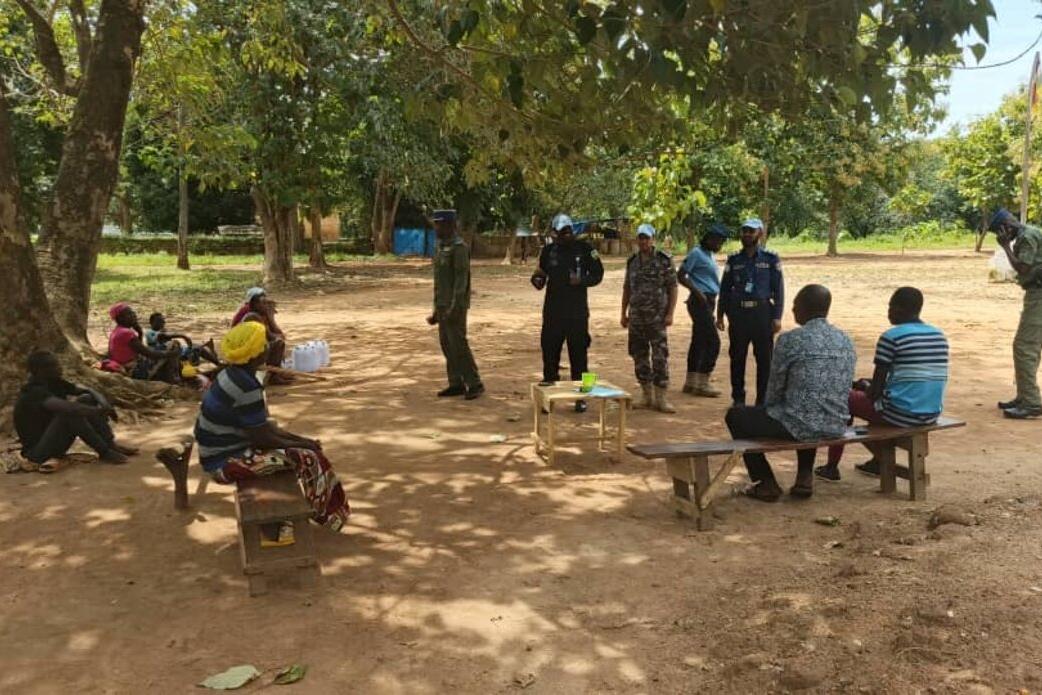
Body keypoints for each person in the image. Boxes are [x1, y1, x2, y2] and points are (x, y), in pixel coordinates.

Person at [193, 321, 351, 540]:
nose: (269, 345)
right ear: (257, 353)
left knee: (303, 449)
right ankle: (325, 514)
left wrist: (301, 440)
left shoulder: (232, 374)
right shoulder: (247, 386)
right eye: (265, 343)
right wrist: (305, 445)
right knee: (311, 459)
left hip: (222, 451)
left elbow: (263, 429)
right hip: (225, 462)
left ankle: (305, 513)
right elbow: (263, 438)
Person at [725, 285, 855, 501]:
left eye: (795, 305)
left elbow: (774, 391)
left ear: (804, 308)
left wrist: (765, 410)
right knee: (805, 406)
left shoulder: (790, 340)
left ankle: (765, 482)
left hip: (802, 423)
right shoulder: (845, 339)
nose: (793, 310)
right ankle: (804, 476)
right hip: (836, 424)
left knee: (736, 416)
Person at [815, 287, 949, 481]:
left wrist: (864, 386)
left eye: (891, 307)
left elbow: (875, 393)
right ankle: (877, 462)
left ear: (901, 309)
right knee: (879, 401)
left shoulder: (892, 337)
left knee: (843, 399)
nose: (888, 312)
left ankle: (832, 466)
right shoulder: (938, 336)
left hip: (900, 414)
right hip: (929, 413)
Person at [531, 213, 604, 413]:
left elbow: (598, 274)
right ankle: (549, 397)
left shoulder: (586, 249)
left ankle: (583, 396)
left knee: (580, 357)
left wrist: (581, 281)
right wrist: (537, 280)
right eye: (561, 232)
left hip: (578, 314)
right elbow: (540, 274)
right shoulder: (548, 251)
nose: (565, 235)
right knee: (550, 356)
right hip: (553, 313)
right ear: (554, 233)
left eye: (568, 231)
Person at [14, 350, 137, 467]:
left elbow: (87, 390)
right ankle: (104, 451)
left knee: (87, 399)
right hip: (38, 453)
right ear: (40, 371)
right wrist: (100, 411)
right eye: (55, 365)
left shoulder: (54, 382)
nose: (60, 368)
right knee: (69, 413)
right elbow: (68, 408)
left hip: (55, 441)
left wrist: (104, 404)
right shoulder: (33, 391)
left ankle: (110, 445)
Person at [717, 218, 784, 407]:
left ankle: (762, 399)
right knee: (737, 357)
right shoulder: (734, 259)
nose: (747, 234)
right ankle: (738, 398)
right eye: (744, 231)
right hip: (738, 314)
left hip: (762, 314)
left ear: (760, 234)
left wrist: (777, 316)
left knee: (764, 359)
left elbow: (779, 290)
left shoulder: (771, 259)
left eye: (751, 231)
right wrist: (720, 313)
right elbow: (725, 288)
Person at [426, 209, 484, 399]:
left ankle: (474, 383)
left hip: (455, 305)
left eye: (440, 223)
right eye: (435, 223)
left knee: (459, 345)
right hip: (443, 304)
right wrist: (436, 309)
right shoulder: (440, 247)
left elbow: (461, 281)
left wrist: (455, 306)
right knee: (446, 345)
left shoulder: (459, 248)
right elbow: (439, 282)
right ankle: (456, 382)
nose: (436, 227)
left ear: (451, 225)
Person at [621, 223, 678, 412]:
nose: (643, 241)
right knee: (639, 355)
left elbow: (673, 287)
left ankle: (660, 397)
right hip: (636, 317)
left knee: (660, 355)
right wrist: (623, 313)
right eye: (640, 238)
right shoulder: (632, 262)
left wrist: (670, 313)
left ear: (653, 239)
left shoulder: (664, 260)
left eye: (647, 237)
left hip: (657, 317)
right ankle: (646, 395)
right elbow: (627, 288)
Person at [991, 208, 1042, 419]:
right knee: (1031, 347)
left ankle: (1031, 403)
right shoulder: (1031, 232)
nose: (1001, 236)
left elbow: (1022, 268)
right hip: (1037, 293)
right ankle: (1024, 395)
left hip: (1039, 295)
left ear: (1006, 227)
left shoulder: (1026, 236)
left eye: (1000, 232)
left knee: (1024, 347)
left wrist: (1005, 247)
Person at [678, 222, 730, 398]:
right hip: (700, 300)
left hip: (709, 300)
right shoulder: (696, 253)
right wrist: (697, 291)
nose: (719, 245)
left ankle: (691, 382)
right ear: (709, 239)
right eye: (718, 241)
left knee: (698, 341)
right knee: (713, 342)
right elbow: (681, 275)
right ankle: (703, 382)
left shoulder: (709, 255)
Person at [104, 303, 182, 382]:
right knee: (174, 344)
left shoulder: (118, 331)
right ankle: (172, 377)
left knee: (161, 350)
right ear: (120, 318)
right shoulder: (126, 333)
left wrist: (140, 332)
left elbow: (139, 349)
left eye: (133, 313)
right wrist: (171, 353)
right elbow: (150, 354)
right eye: (129, 314)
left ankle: (167, 375)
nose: (134, 315)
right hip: (135, 373)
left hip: (128, 368)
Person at [231, 288, 287, 371]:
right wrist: (270, 316)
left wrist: (269, 316)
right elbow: (272, 336)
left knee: (275, 343)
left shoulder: (260, 313)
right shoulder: (252, 315)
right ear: (255, 304)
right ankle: (274, 375)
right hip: (242, 353)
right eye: (264, 303)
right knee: (277, 343)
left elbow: (275, 333)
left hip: (247, 349)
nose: (267, 305)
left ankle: (275, 372)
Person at [146, 312, 220, 367]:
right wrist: (182, 336)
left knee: (196, 349)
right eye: (160, 321)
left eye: (163, 321)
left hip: (172, 354)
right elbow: (162, 337)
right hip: (168, 356)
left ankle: (213, 357)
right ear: (151, 322)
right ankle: (217, 362)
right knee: (199, 350)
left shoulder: (161, 331)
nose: (163, 323)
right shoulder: (150, 332)